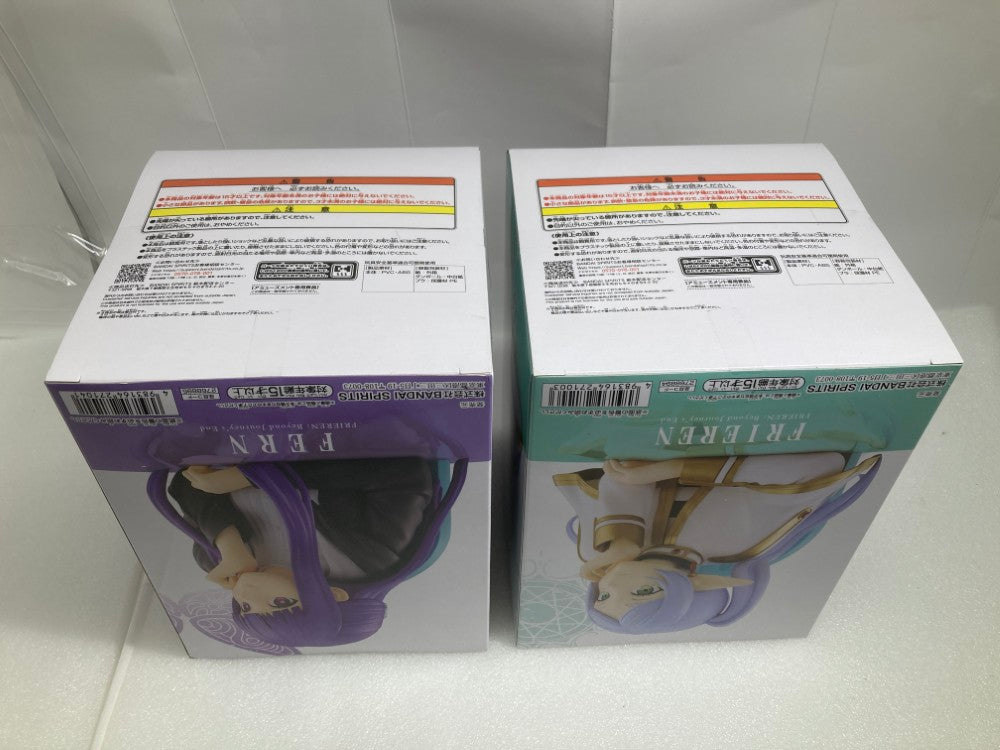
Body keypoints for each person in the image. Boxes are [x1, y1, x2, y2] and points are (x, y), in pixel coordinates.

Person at [147, 456, 466, 649]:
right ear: (336, 596)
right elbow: (401, 470)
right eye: (280, 603)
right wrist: (253, 476)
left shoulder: (219, 562)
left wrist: (227, 540)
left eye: (243, 606)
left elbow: (185, 484)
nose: (247, 592)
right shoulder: (380, 552)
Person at [555, 452, 880, 633]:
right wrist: (678, 468)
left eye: (605, 595)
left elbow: (619, 474)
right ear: (691, 587)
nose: (613, 584)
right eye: (642, 593)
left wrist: (624, 539)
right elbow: (819, 467)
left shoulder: (601, 550)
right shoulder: (738, 542)